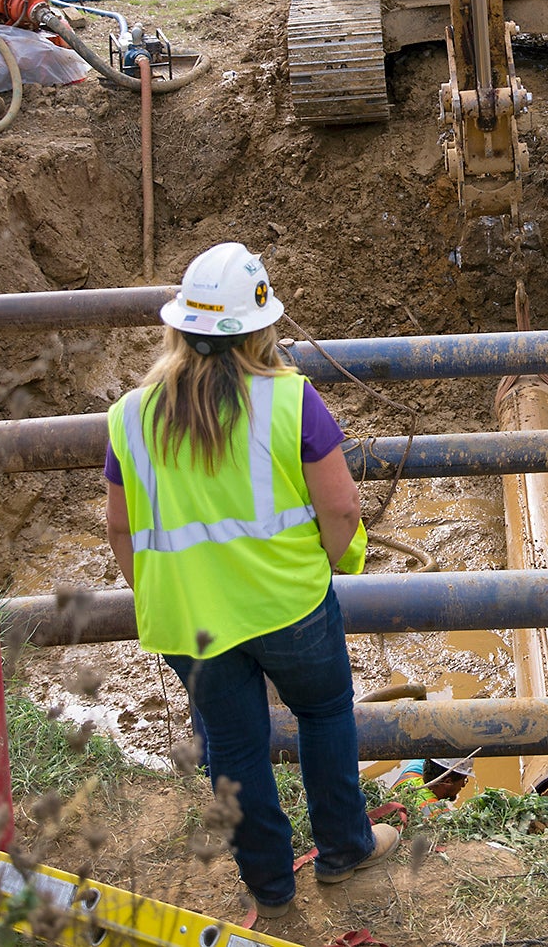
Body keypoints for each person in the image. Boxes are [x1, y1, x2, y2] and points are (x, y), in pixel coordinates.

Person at [103, 242, 399, 918]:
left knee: (233, 748)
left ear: (179, 327)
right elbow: (344, 507)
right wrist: (328, 560)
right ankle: (343, 850)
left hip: (192, 622)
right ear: (261, 327)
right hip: (289, 604)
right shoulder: (291, 399)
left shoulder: (129, 417)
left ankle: (270, 888)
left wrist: (162, 591)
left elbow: (120, 530)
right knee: (323, 714)